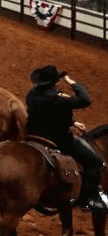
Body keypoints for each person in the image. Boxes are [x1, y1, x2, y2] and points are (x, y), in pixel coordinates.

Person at [25, 65, 108, 212]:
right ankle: (89, 199)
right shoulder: (59, 98)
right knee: (95, 162)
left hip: (33, 134)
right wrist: (73, 83)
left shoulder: (31, 95)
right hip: (58, 139)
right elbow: (85, 100)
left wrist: (72, 122)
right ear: (55, 82)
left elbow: (47, 114)